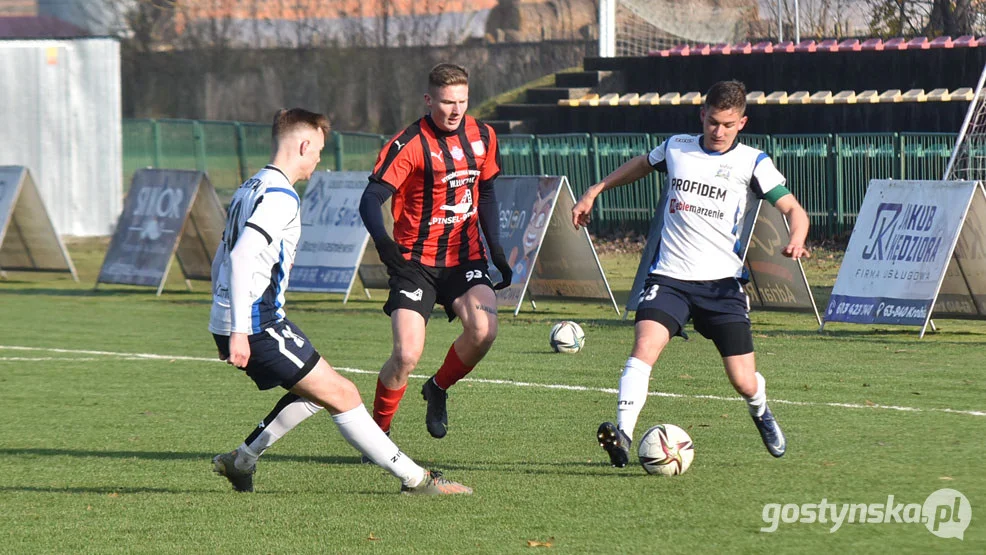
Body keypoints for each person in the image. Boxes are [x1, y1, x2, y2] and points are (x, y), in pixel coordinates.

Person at [209, 108, 471, 495]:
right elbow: (240, 255)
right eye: (319, 150)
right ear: (304, 144)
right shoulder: (280, 196)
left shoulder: (251, 186)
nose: (318, 159)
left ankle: (242, 460)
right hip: (257, 323)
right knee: (344, 394)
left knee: (317, 392)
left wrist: (224, 313)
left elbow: (222, 253)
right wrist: (239, 332)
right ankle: (417, 480)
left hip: (245, 318)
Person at [572, 80, 810, 466]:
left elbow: (794, 210)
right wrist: (595, 189)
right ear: (702, 115)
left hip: (722, 286)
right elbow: (640, 165)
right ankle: (624, 435)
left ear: (742, 123)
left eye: (728, 125)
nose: (719, 131)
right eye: (713, 122)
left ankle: (761, 411)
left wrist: (797, 238)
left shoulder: (753, 163)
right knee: (644, 347)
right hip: (670, 278)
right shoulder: (677, 147)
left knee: (743, 380)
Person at [358, 63, 511, 444]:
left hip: (466, 258)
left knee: (484, 330)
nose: (455, 110)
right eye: (446, 102)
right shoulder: (409, 143)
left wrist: (498, 252)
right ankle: (378, 435)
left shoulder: (484, 136)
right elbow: (371, 198)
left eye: (462, 101)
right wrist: (385, 246)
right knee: (407, 355)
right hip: (415, 264)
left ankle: (438, 388)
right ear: (429, 100)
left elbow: (488, 193)